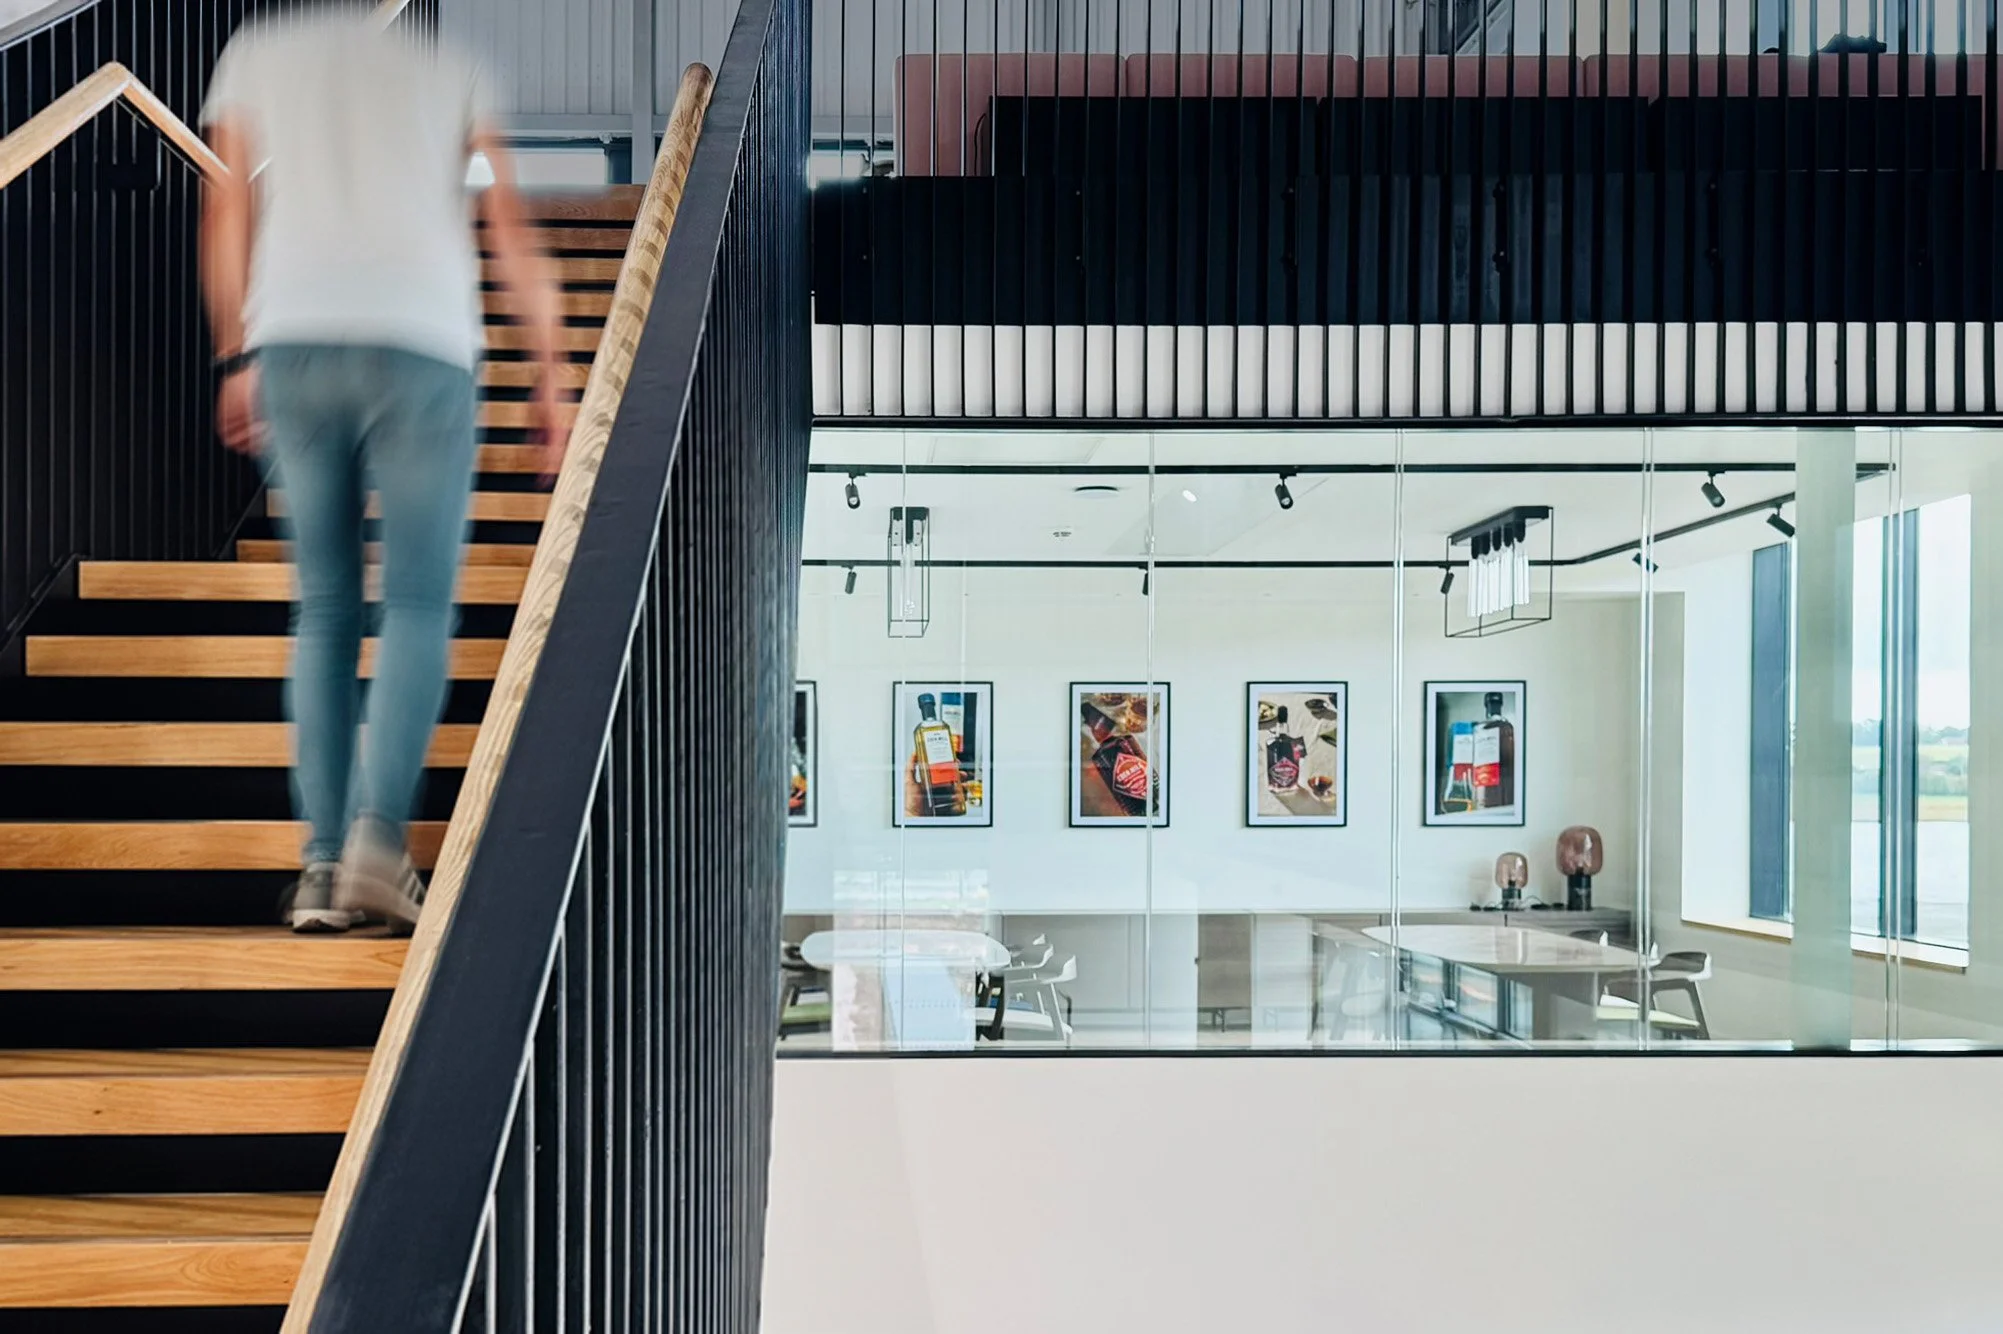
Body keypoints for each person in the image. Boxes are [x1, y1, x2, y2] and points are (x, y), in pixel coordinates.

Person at [199, 3, 564, 933]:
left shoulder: (255, 53)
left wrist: (235, 357)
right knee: (412, 604)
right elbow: (508, 229)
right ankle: (374, 842)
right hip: (424, 344)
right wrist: (551, 373)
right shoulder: (453, 67)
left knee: (322, 609)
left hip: (298, 341)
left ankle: (320, 865)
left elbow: (227, 207)